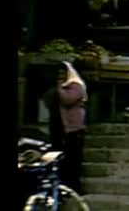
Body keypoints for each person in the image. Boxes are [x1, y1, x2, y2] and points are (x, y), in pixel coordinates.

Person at [43, 61, 87, 194]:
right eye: (58, 74)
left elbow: (68, 99)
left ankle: (74, 189)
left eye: (63, 74)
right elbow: (47, 99)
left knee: (73, 161)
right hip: (58, 129)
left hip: (73, 130)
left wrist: (59, 88)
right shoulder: (58, 88)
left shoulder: (76, 86)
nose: (60, 77)